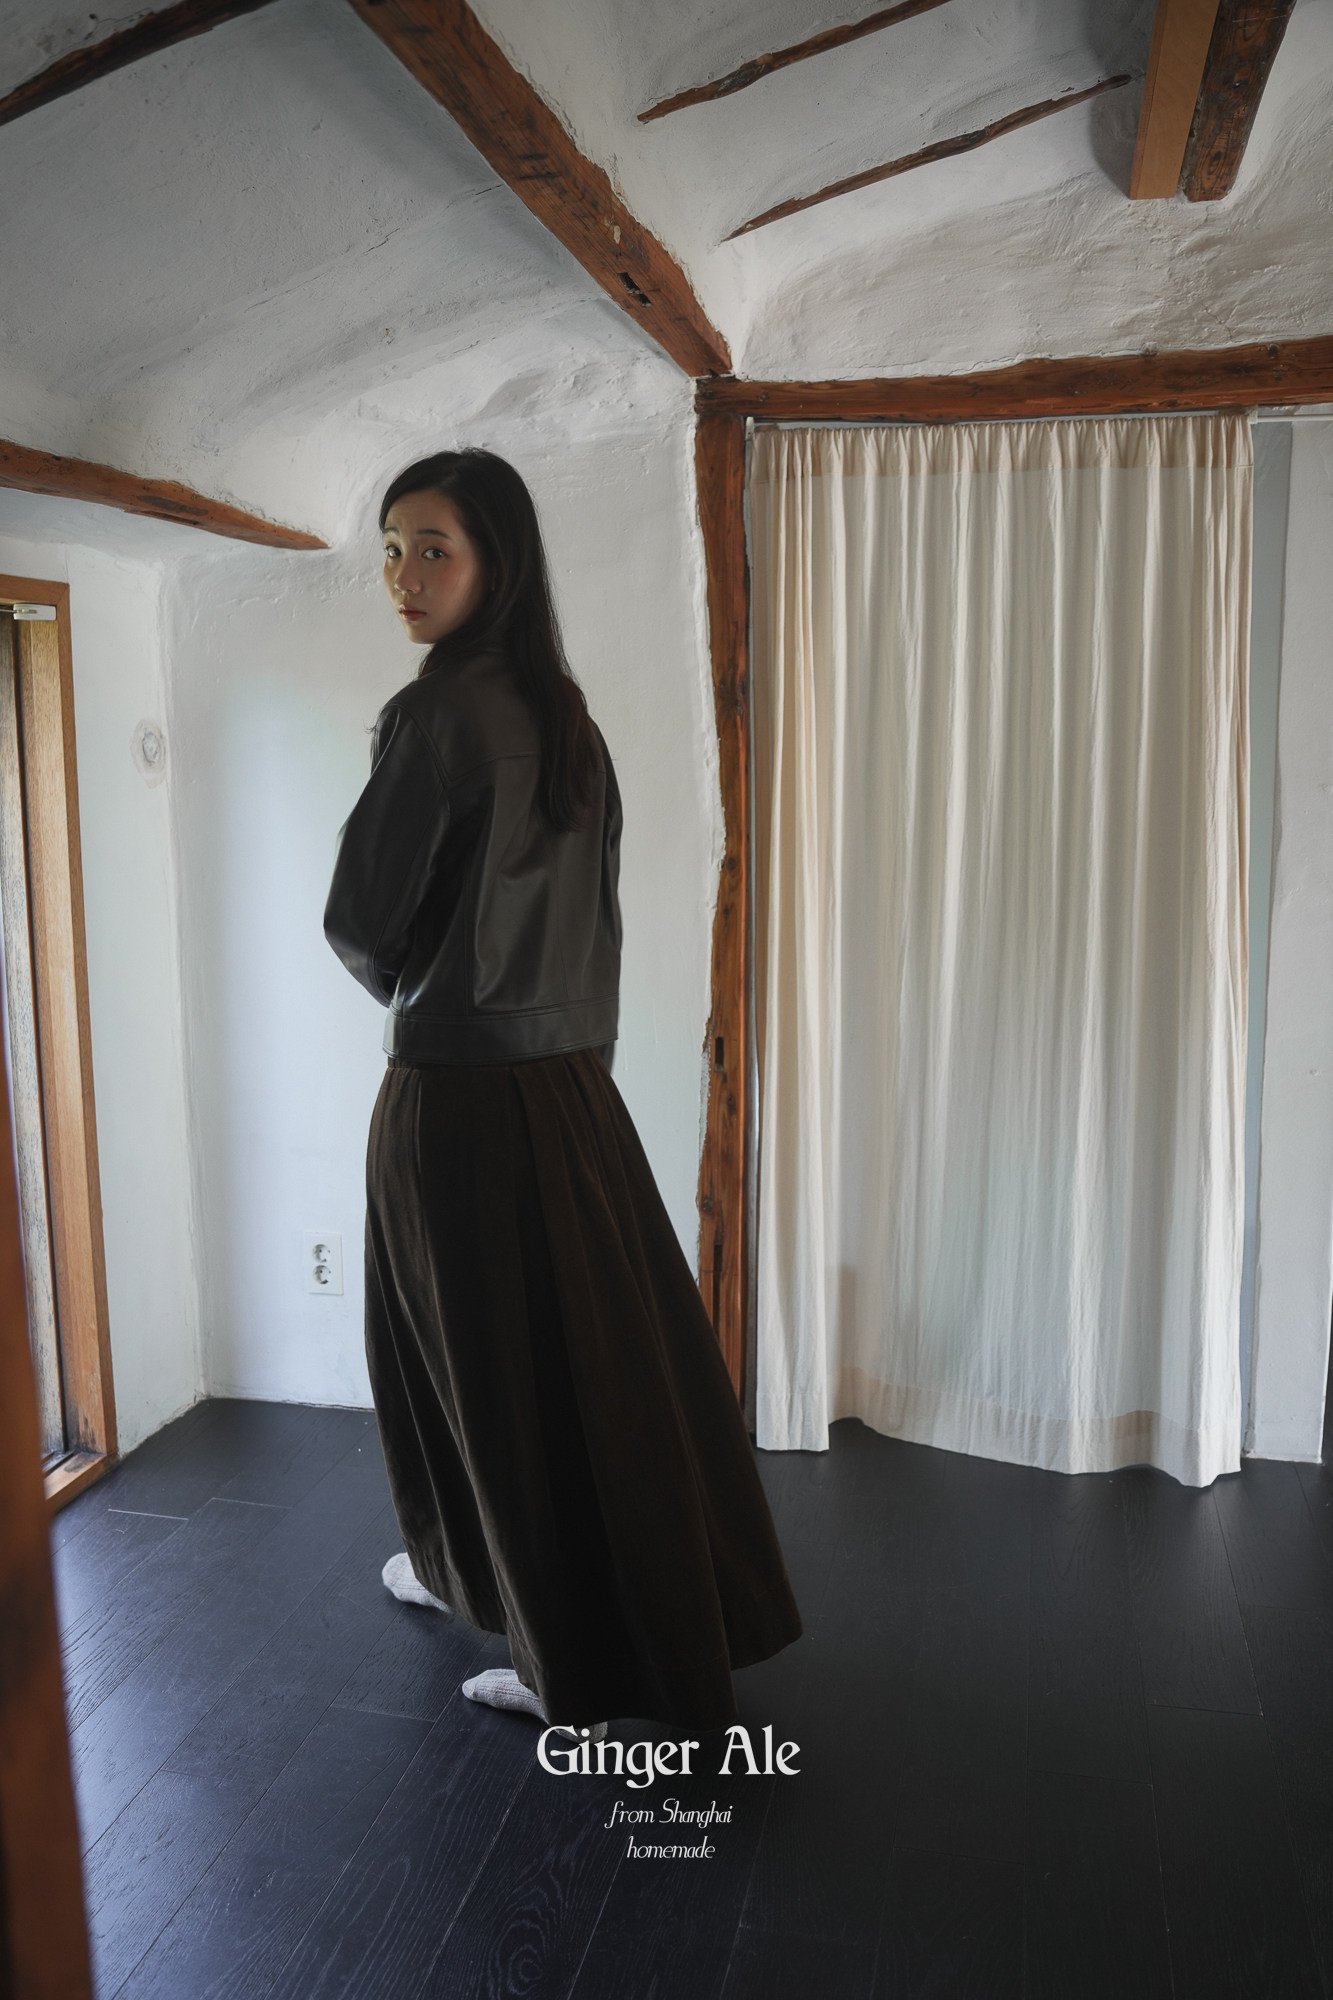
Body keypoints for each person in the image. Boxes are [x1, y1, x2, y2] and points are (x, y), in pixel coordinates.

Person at [324, 448, 801, 1735]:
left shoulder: (433, 717)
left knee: (475, 1374)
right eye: (392, 548)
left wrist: (428, 993)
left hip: (457, 1098)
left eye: (433, 548)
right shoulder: (567, 717)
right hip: (573, 1093)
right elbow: (597, 923)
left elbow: (359, 923)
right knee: (585, 1372)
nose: (404, 576)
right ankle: (467, 1572)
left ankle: (558, 1667)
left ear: (499, 561)